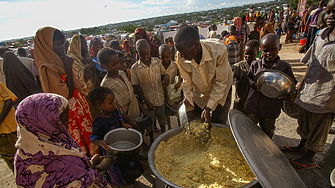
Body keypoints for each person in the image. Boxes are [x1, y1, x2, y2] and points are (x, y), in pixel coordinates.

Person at [281, 0, 335, 170]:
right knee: (303, 120)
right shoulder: (321, 36)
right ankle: (301, 146)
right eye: (329, 11)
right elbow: (311, 63)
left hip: (328, 94)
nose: (331, 16)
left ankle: (310, 157)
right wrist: (301, 84)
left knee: (319, 126)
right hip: (310, 89)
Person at [14, 93, 111, 188]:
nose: (68, 122)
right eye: (65, 119)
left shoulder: (23, 156)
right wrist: (92, 165)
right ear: (46, 125)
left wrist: (89, 164)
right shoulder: (55, 164)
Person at [34, 27, 94, 157]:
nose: (62, 47)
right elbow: (64, 96)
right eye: (57, 44)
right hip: (69, 115)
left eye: (63, 43)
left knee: (90, 141)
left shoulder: (62, 60)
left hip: (78, 110)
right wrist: (67, 68)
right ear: (46, 46)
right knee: (80, 148)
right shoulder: (47, 68)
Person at [174, 25, 233, 125]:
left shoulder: (218, 51)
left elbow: (220, 83)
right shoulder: (180, 57)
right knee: (197, 119)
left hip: (222, 89)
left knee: (219, 120)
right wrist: (188, 98)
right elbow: (187, 81)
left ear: (196, 45)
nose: (182, 56)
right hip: (201, 90)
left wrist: (209, 108)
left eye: (184, 52)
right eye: (179, 52)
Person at [244, 33, 297, 138]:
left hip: (271, 107)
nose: (269, 53)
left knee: (267, 132)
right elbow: (249, 77)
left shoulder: (284, 67)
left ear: (279, 48)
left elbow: (292, 83)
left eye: (273, 49)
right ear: (261, 50)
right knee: (248, 129)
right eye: (265, 50)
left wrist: (287, 93)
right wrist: (253, 84)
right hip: (253, 105)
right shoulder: (256, 64)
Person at [89, 87, 143, 185]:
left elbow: (119, 116)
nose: (113, 104)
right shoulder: (99, 122)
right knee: (117, 169)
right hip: (109, 151)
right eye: (110, 103)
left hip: (122, 145)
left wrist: (123, 123)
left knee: (128, 162)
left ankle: (131, 178)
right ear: (99, 105)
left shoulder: (113, 111)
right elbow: (93, 138)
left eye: (113, 101)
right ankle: (121, 183)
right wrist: (100, 142)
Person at [131, 39, 169, 145]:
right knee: (149, 123)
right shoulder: (135, 68)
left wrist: (166, 76)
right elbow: (136, 86)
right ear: (137, 52)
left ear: (149, 49)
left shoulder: (157, 62)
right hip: (147, 102)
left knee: (162, 120)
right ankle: (152, 139)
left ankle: (164, 135)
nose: (145, 56)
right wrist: (146, 100)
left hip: (159, 98)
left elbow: (163, 73)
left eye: (147, 53)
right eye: (142, 54)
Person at [99, 48, 141, 129]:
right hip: (124, 121)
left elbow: (132, 94)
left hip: (135, 113)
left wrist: (141, 109)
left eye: (118, 62)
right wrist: (127, 118)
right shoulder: (105, 85)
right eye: (113, 65)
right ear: (103, 66)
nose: (118, 66)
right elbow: (111, 109)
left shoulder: (122, 73)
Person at [232, 40, 260, 114]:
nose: (248, 56)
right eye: (246, 54)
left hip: (254, 105)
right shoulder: (238, 67)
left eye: (252, 54)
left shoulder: (260, 67)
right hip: (239, 104)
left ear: (257, 53)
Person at [159, 44, 181, 130]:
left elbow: (180, 73)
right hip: (163, 95)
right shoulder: (158, 66)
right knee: (166, 114)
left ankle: (179, 127)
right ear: (159, 56)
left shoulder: (175, 66)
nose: (165, 59)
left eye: (167, 57)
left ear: (170, 55)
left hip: (174, 95)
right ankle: (169, 127)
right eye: (163, 57)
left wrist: (178, 82)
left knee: (177, 112)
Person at [0, 82, 17, 172]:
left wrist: (1, 118)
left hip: (14, 125)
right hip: (2, 135)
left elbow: (9, 100)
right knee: (12, 158)